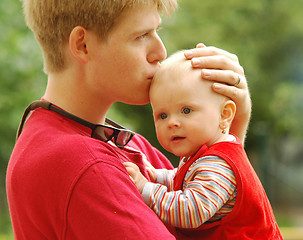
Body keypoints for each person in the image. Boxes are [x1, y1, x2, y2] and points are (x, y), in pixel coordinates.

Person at [6, 0, 251, 239]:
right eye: (142, 35)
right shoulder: (86, 164)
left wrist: (229, 129)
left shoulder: (124, 145)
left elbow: (209, 208)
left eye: (157, 31)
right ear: (83, 45)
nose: (160, 52)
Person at [124, 51, 282, 239]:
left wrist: (146, 189)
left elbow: (190, 211)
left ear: (225, 115)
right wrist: (155, 176)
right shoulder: (204, 157)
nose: (172, 122)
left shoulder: (218, 165)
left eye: (186, 110)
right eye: (162, 115)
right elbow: (185, 179)